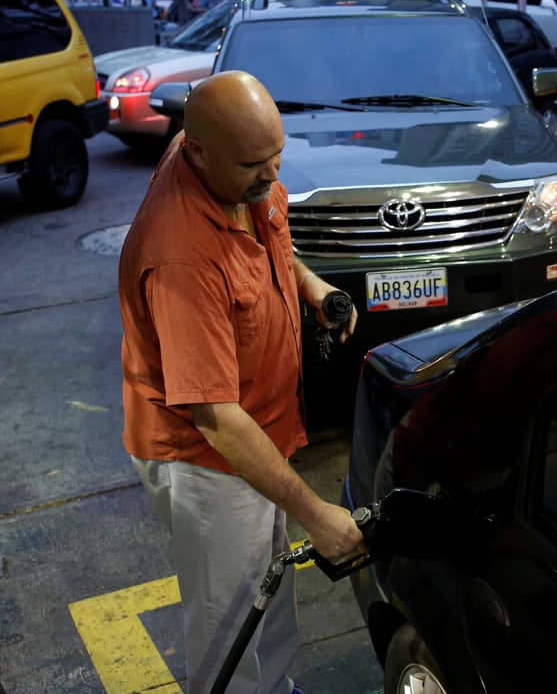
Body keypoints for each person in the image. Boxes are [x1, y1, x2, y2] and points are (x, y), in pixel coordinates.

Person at [118, 71, 365, 694]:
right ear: (194, 150)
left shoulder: (227, 168)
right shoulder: (181, 257)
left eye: (277, 157)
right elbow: (215, 418)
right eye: (255, 163)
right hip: (208, 460)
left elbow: (270, 238)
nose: (271, 176)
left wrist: (311, 287)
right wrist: (316, 513)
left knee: (265, 588)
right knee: (229, 630)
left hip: (261, 429)